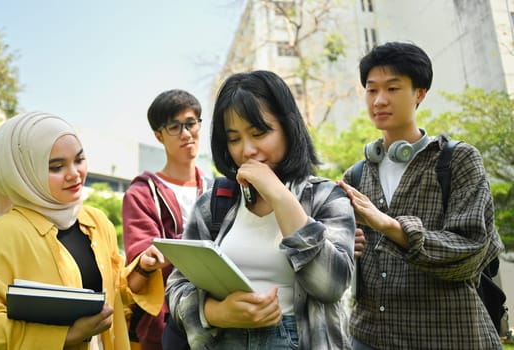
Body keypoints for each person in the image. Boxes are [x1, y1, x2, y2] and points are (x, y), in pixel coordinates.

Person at [165, 70, 356, 349]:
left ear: (288, 127)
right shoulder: (212, 205)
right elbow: (177, 287)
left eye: (259, 132)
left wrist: (279, 195)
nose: (248, 150)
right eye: (234, 139)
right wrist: (216, 313)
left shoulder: (327, 197)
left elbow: (331, 286)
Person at [336, 42, 504, 349]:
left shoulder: (458, 160)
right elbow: (342, 268)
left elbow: (470, 250)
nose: (380, 100)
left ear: (420, 93)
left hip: (448, 335)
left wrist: (390, 226)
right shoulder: (356, 175)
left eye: (393, 88)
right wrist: (347, 244)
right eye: (371, 90)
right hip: (368, 336)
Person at [0, 111, 167, 350]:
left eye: (79, 159)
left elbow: (115, 299)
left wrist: (142, 269)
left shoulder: (95, 222)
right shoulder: (6, 234)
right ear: (24, 174)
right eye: (56, 167)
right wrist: (66, 335)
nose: (74, 174)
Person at [122, 89, 208, 350]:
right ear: (158, 135)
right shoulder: (142, 193)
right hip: (166, 327)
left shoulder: (218, 189)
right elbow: (139, 268)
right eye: (174, 127)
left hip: (218, 319)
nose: (185, 133)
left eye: (190, 123)